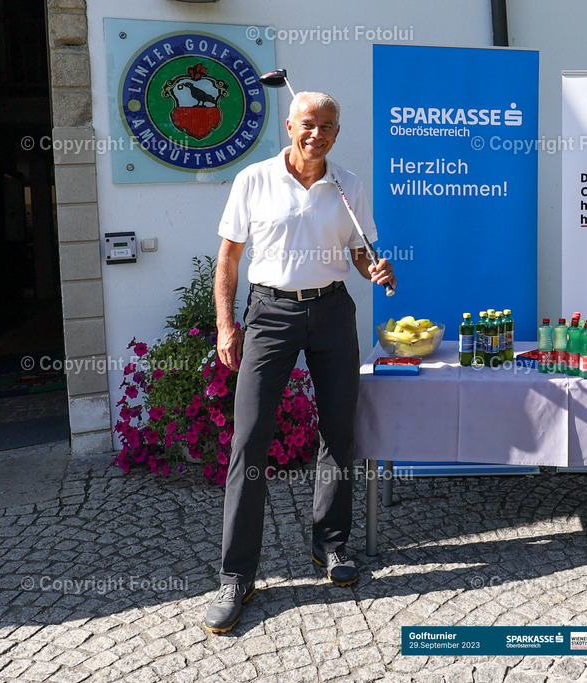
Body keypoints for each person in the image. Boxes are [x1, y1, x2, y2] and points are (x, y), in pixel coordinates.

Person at [204, 91, 396, 633]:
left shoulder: (348, 183)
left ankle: (330, 548)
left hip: (333, 311)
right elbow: (229, 258)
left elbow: (359, 250)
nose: (318, 134)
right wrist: (226, 325)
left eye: (329, 125)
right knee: (250, 442)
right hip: (270, 314)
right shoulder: (255, 179)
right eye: (309, 124)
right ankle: (236, 575)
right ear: (289, 125)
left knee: (338, 431)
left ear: (339, 130)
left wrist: (373, 267)